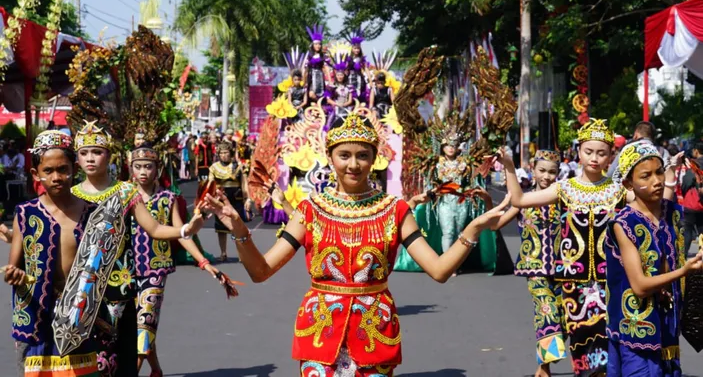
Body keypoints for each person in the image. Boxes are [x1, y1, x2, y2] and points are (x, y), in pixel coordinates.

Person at [201, 113, 510, 375]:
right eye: (344, 155)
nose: (353, 164)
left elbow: (440, 270)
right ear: (330, 157)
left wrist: (473, 229)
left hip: (374, 331)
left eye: (362, 155)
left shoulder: (395, 210)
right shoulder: (311, 210)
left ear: (374, 159)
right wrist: (240, 230)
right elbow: (260, 270)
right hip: (321, 331)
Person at [69, 121, 205, 377]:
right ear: (77, 158)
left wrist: (186, 230)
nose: (90, 158)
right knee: (87, 359)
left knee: (120, 356)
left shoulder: (125, 192)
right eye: (84, 152)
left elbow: (155, 229)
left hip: (119, 286)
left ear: (109, 156)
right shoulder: (70, 195)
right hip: (81, 287)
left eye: (97, 152)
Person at [500, 119, 627, 376]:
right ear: (578, 152)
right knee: (564, 323)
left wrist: (666, 179)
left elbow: (650, 206)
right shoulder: (566, 189)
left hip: (607, 277)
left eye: (601, 153)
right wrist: (510, 168)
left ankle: (590, 370)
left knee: (602, 332)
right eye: (588, 152)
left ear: (610, 156)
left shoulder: (617, 191)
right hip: (567, 275)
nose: (594, 158)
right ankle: (546, 365)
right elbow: (520, 199)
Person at [4, 130, 100, 377]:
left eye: (63, 169)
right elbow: (14, 265)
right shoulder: (25, 213)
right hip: (35, 312)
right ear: (36, 174)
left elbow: (105, 263)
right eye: (48, 171)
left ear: (74, 169)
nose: (57, 177)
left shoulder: (93, 214)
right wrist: (14, 273)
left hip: (78, 313)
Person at [129, 144, 225, 377]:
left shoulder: (168, 198)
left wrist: (203, 262)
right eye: (138, 166)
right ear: (130, 169)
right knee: (141, 327)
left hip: (155, 272)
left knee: (145, 323)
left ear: (158, 168)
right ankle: (157, 371)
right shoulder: (124, 197)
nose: (143, 172)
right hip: (126, 271)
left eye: (148, 166)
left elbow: (182, 233)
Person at [605, 142, 696, 376]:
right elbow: (640, 285)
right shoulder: (623, 223)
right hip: (635, 327)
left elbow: (666, 259)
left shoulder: (672, 212)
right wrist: (684, 271)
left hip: (667, 324)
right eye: (645, 176)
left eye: (658, 172)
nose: (656, 180)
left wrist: (669, 281)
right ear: (628, 183)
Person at [491, 150, 567, 377]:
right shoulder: (522, 200)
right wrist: (488, 202)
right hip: (534, 269)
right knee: (547, 312)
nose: (546, 176)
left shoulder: (563, 199)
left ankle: (545, 366)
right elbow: (497, 224)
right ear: (533, 169)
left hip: (563, 268)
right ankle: (545, 366)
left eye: (552, 172)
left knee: (563, 317)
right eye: (542, 171)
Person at [207, 142, 252, 262]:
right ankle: (223, 252)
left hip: (236, 199)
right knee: (221, 228)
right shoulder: (214, 167)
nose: (223, 155)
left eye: (226, 152)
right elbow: (210, 184)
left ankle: (241, 253)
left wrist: (247, 198)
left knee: (237, 227)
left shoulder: (238, 166)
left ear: (230, 153)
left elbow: (244, 184)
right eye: (221, 153)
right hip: (221, 199)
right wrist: (211, 198)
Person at [681, 142, 703, 256]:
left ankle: (683, 256)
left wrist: (686, 193)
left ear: (696, 151)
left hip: (692, 203)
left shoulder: (695, 165)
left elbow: (686, 182)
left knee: (688, 229)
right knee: (701, 230)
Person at [303, 24, 329, 104]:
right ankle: (318, 103)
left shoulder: (323, 56)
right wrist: (304, 81)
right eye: (316, 44)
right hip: (311, 77)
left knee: (321, 94)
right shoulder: (309, 56)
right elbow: (306, 70)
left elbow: (326, 68)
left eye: (319, 44)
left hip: (320, 78)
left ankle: (320, 106)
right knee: (311, 94)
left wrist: (329, 80)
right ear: (313, 45)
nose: (318, 46)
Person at [346, 29, 367, 102]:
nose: (357, 50)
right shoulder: (348, 59)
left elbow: (366, 69)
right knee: (350, 94)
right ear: (352, 49)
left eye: (358, 48)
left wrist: (370, 81)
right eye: (355, 48)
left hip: (359, 79)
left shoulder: (361, 59)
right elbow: (346, 69)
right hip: (350, 78)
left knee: (359, 94)